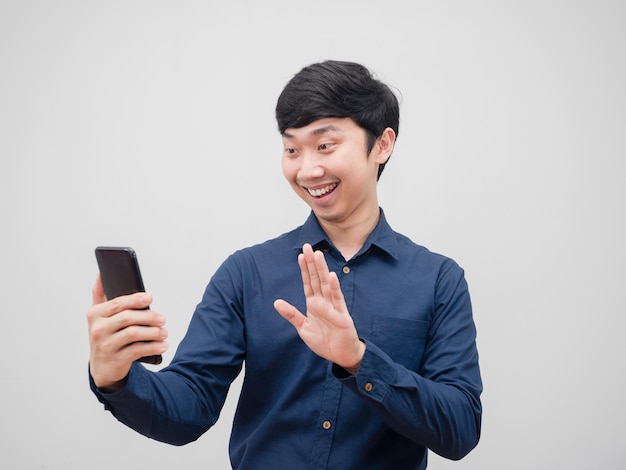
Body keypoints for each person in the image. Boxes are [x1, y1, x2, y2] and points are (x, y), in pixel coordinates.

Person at [87, 60, 482, 469]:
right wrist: (116, 378)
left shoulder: (438, 280)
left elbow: (461, 430)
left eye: (325, 145)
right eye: (292, 149)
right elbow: (188, 410)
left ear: (382, 144)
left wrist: (359, 360)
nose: (307, 169)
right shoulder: (246, 272)